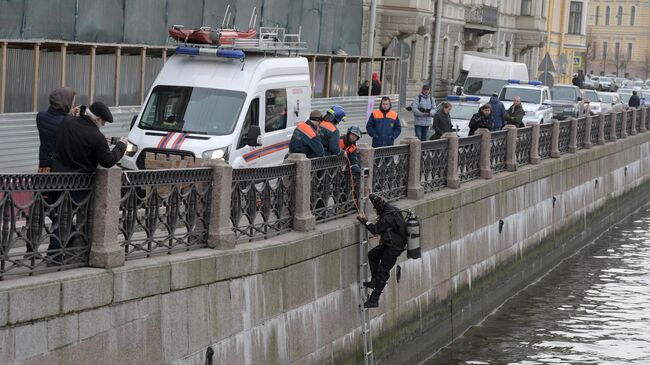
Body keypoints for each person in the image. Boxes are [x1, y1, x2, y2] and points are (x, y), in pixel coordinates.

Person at [357, 193, 408, 308]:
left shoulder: (387, 217)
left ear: (379, 207)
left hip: (395, 248)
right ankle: (374, 281)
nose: (375, 211)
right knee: (373, 255)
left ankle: (374, 299)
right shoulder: (391, 209)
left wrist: (364, 220)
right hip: (390, 243)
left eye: (375, 208)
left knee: (383, 271)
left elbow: (375, 230)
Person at [52, 101, 127, 173]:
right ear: (97, 119)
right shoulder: (97, 137)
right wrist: (121, 145)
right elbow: (108, 161)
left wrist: (101, 145)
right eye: (103, 123)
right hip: (80, 182)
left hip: (58, 178)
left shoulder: (67, 121)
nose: (102, 126)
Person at [36, 87, 79, 172]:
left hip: (44, 165)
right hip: (59, 168)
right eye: (72, 102)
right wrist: (73, 118)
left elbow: (55, 122)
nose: (73, 105)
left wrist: (68, 115)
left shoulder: (40, 116)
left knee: (42, 185)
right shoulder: (68, 122)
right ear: (65, 102)